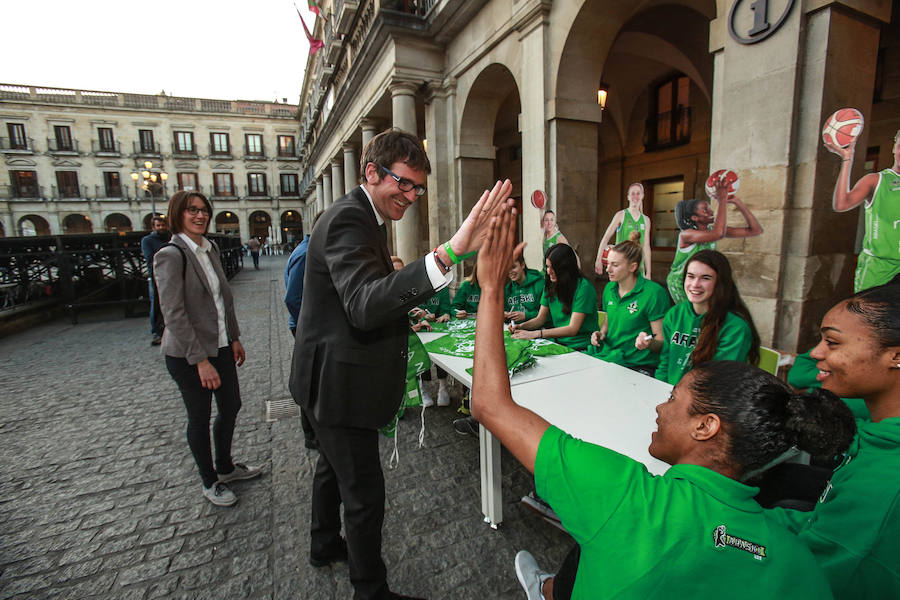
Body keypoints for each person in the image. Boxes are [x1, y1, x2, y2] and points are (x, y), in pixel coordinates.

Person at [469, 204, 853, 600]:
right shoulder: (794, 555)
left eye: (671, 399)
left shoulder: (626, 493)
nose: (659, 406)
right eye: (690, 276)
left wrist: (491, 288)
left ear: (706, 425)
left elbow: (489, 404)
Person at [288, 128, 513, 600]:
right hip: (338, 388)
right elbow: (364, 305)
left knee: (331, 469)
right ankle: (371, 591)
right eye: (403, 183)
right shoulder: (350, 218)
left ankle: (324, 544)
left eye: (417, 188)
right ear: (372, 172)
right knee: (364, 496)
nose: (410, 196)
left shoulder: (363, 216)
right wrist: (447, 253)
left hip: (325, 379)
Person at [767, 282, 900, 598]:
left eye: (832, 342)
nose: (816, 353)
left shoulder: (885, 485)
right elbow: (821, 524)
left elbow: (815, 580)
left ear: (895, 356)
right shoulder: (878, 436)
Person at [154, 191, 261, 507]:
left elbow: (222, 300)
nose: (200, 216)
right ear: (178, 214)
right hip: (187, 355)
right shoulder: (171, 255)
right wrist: (200, 360)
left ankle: (226, 467)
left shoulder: (209, 248)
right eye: (192, 211)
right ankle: (209, 480)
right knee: (198, 417)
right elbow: (173, 313)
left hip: (222, 346)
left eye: (203, 210)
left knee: (231, 406)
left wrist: (235, 337)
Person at [646, 249, 760, 386]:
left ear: (720, 283)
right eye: (691, 276)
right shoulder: (675, 314)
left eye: (705, 278)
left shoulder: (735, 327)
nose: (695, 284)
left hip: (709, 400)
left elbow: (720, 380)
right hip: (672, 394)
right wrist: (659, 391)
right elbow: (666, 362)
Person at [665, 177, 762, 304]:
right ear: (695, 218)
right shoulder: (687, 235)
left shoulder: (711, 230)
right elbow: (718, 233)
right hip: (681, 282)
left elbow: (755, 230)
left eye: (710, 208)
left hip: (701, 280)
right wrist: (722, 200)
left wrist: (738, 202)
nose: (711, 211)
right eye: (705, 210)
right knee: (692, 314)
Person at [825, 128, 900, 292]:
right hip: (879, 267)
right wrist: (847, 160)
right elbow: (841, 204)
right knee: (865, 316)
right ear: (894, 148)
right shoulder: (876, 180)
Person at [587, 231, 670, 375]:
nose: (608, 269)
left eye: (615, 265)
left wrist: (648, 342)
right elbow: (608, 322)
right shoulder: (609, 288)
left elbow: (661, 340)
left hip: (639, 366)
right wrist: (600, 334)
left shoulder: (654, 293)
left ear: (633, 267)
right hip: (610, 357)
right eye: (607, 264)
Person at [510, 243, 599, 351]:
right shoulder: (551, 284)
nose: (548, 271)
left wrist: (536, 334)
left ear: (566, 268)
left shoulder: (584, 288)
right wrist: (520, 327)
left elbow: (572, 329)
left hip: (582, 347)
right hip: (559, 343)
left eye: (554, 267)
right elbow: (540, 319)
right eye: (547, 267)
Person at [284, 211, 324, 450]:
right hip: (307, 328)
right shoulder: (306, 253)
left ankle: (314, 432)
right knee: (310, 381)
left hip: (309, 327)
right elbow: (293, 298)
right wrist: (312, 328)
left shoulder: (313, 249)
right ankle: (312, 434)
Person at [594, 182, 652, 278]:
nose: (635, 196)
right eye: (633, 193)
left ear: (642, 196)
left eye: (638, 193)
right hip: (621, 266)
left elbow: (646, 246)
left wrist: (648, 272)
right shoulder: (621, 215)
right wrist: (598, 260)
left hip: (638, 268)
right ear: (628, 197)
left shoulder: (646, 220)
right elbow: (606, 238)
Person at [141, 215, 170, 346]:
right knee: (156, 304)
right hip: (156, 277)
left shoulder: (171, 237)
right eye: (158, 226)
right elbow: (150, 258)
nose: (161, 228)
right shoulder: (147, 240)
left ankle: (170, 330)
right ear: (153, 227)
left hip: (171, 275)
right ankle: (156, 332)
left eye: (163, 225)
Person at [504, 255, 544, 324]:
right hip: (516, 329)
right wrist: (505, 315)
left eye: (513, 267)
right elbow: (505, 311)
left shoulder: (539, 283)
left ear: (522, 265)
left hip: (540, 329)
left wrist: (526, 316)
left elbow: (547, 314)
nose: (510, 271)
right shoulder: (507, 288)